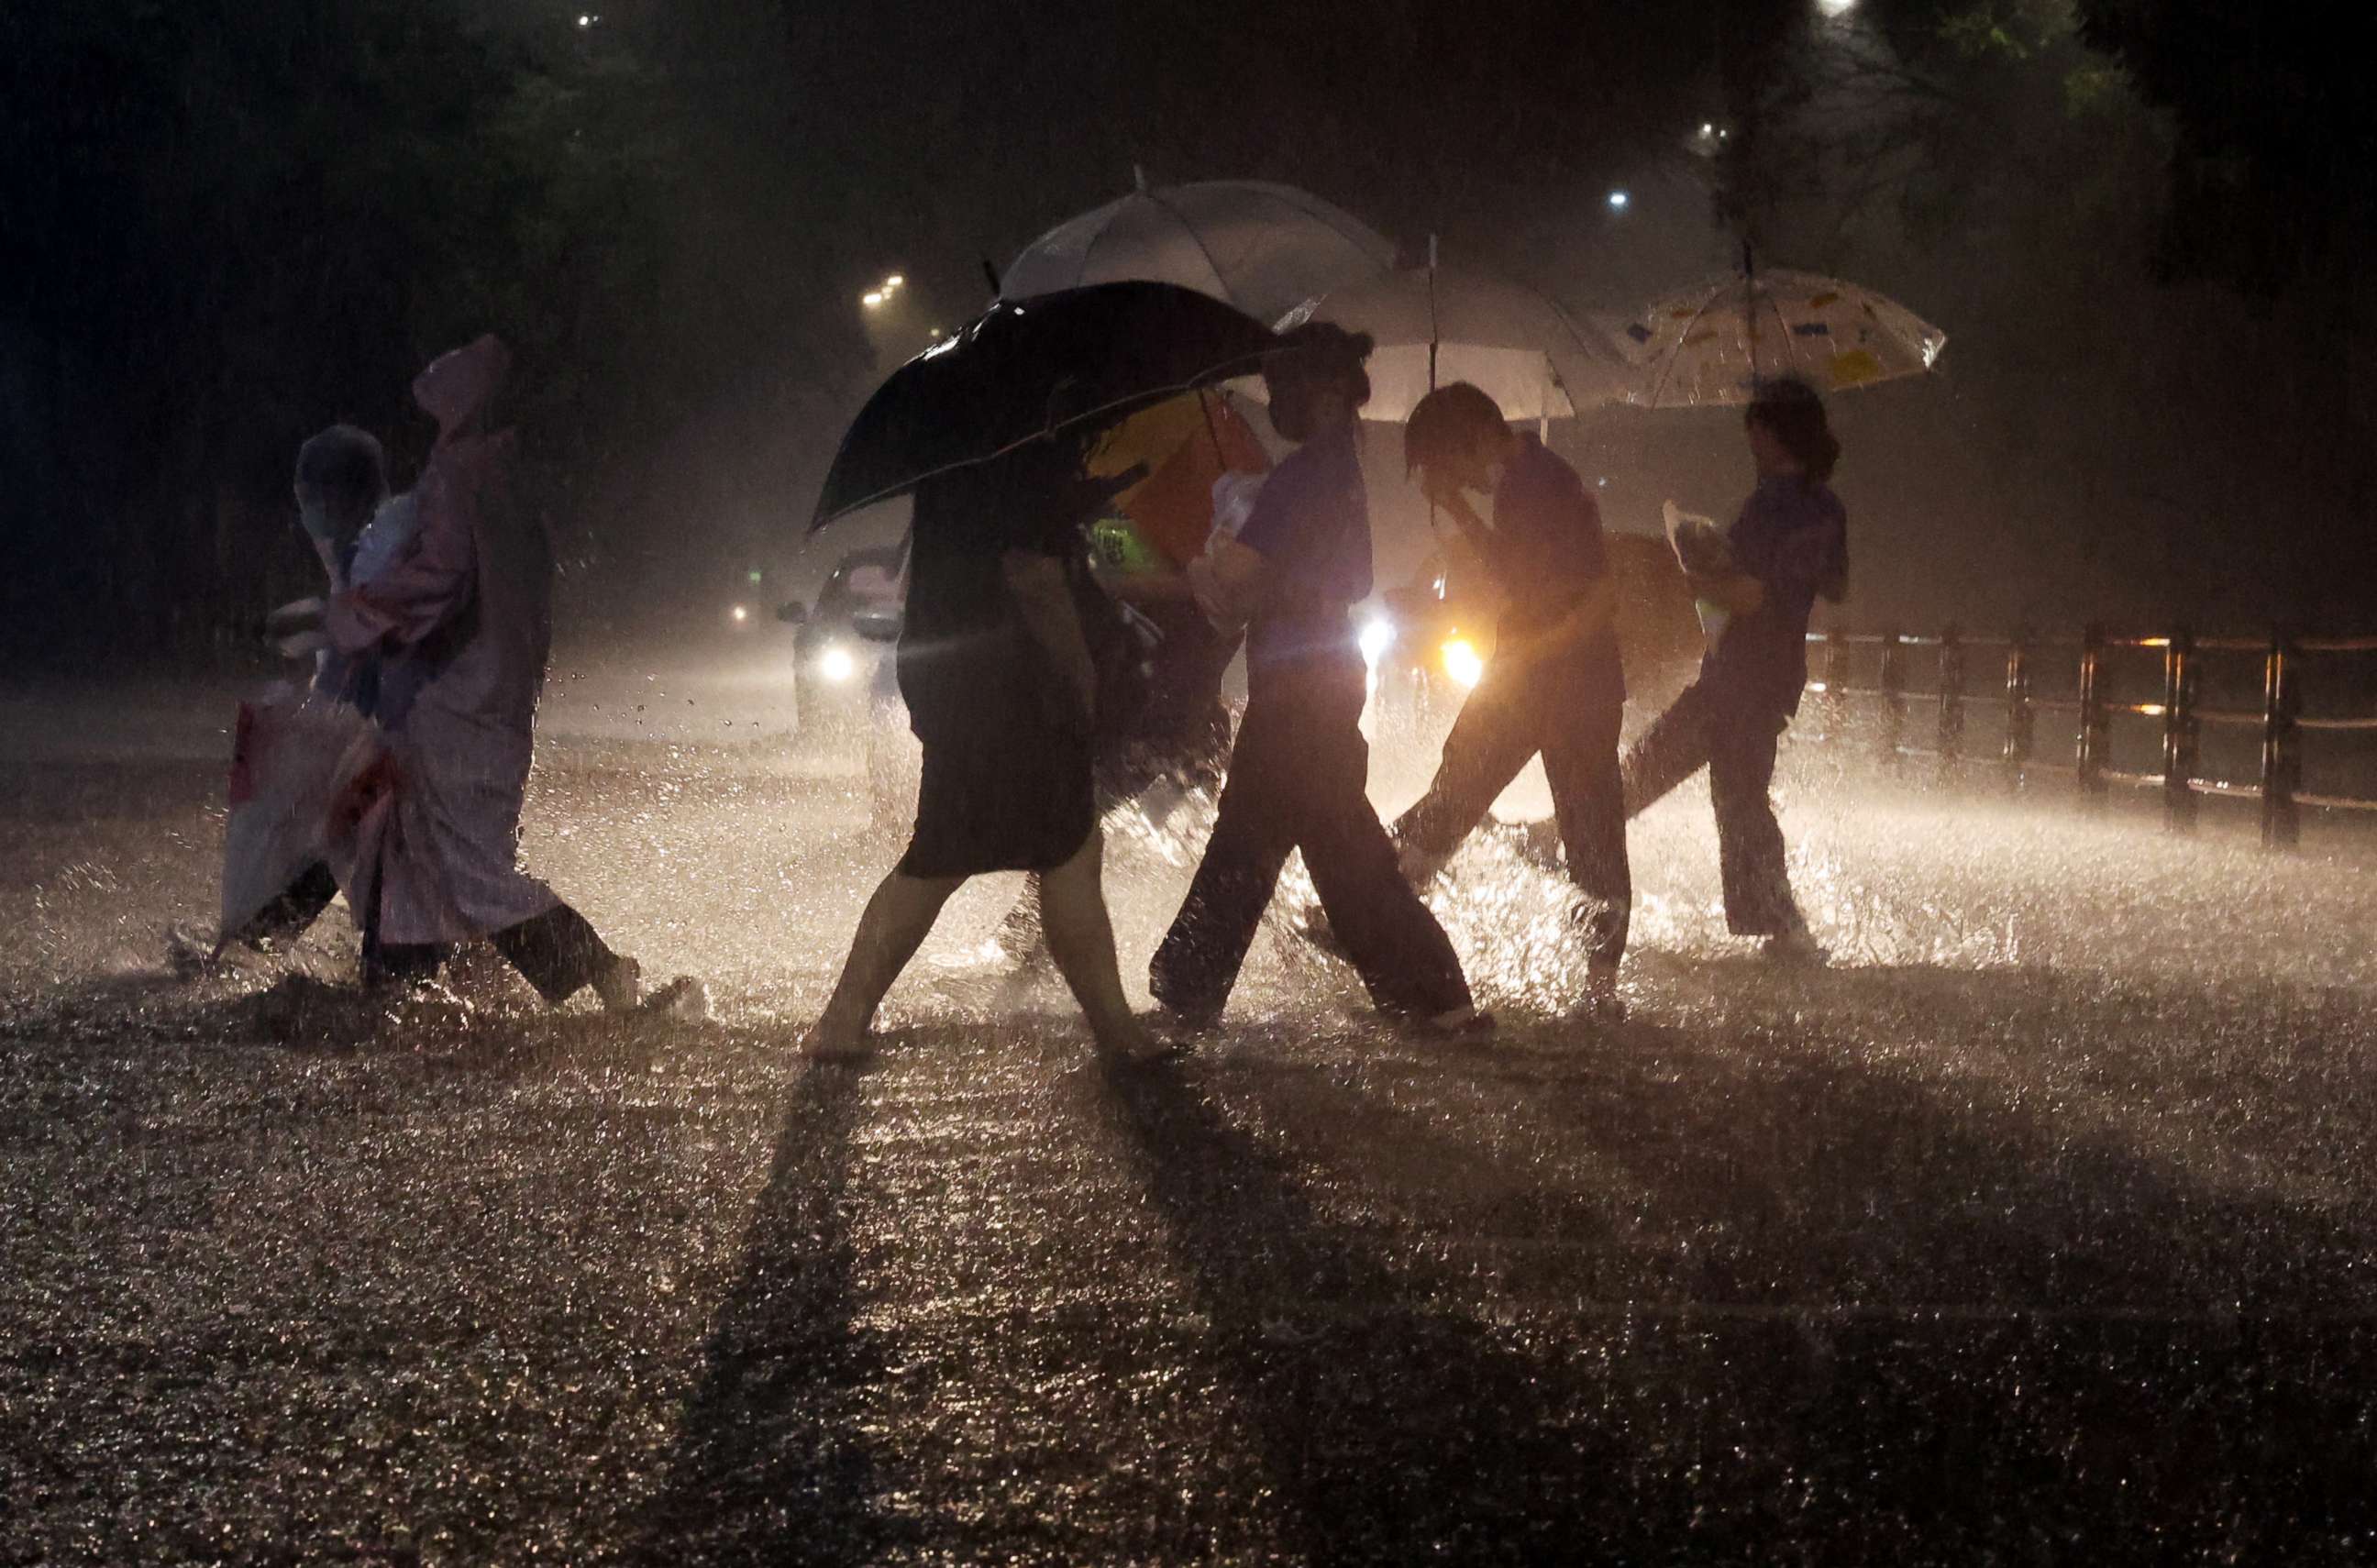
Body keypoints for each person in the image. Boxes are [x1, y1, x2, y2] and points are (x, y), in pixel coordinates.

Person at [304, 335, 692, 1012]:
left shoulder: (459, 476)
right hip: (494, 693)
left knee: (468, 863)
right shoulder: (510, 477)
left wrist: (354, 616)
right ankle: (401, 984)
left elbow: (440, 579)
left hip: (456, 697)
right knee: (416, 846)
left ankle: (603, 972)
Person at [1147, 324, 1483, 1033]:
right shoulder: (1340, 471)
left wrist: (1209, 561)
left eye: (1283, 388)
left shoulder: (1302, 477)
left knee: (1292, 841)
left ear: (1323, 392)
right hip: (1322, 674)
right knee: (1301, 837)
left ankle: (1191, 987)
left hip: (1299, 684)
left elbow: (1235, 579)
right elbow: (1352, 575)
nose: (1274, 402)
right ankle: (1429, 993)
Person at [804, 435, 1164, 1062]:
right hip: (1014, 690)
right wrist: (1082, 673)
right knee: (1051, 848)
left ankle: (842, 1022)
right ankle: (1117, 1032)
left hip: (957, 683)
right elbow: (1031, 572)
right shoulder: (1024, 452)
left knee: (981, 851)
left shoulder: (957, 463)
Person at [1384, 381, 1631, 1014]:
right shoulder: (1526, 483)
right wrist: (1463, 515)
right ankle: (1375, 911)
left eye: (1442, 465)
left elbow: (1598, 594)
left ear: (1469, 441)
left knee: (1579, 826)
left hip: (1558, 682)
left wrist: (1534, 652)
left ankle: (1373, 912)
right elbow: (1519, 573)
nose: (1448, 481)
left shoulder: (1536, 485)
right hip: (1544, 678)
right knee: (1475, 790)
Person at [1619, 377, 1847, 961]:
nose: (1747, 436)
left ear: (1770, 432)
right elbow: (1836, 586)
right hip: (1778, 672)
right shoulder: (1826, 506)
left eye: (1753, 424)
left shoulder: (1769, 505)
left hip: (1740, 669)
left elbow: (1745, 595)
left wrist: (1691, 576)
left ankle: (1568, 833)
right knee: (1740, 793)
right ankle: (1780, 924)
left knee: (1665, 761)